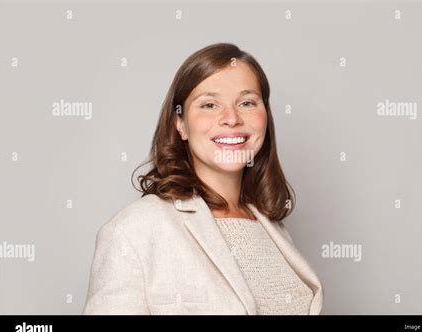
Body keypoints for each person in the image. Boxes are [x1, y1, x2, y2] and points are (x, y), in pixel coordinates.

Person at [83, 42, 324, 315]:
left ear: (265, 117)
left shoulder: (274, 229)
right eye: (209, 105)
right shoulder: (133, 231)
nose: (231, 118)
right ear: (181, 124)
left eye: (247, 103)